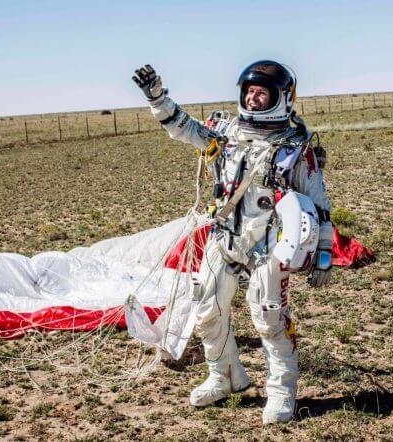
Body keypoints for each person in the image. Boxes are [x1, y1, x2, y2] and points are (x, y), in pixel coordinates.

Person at [132, 60, 333, 424]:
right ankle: (223, 376)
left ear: (282, 99)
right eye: (249, 92)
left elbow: (318, 202)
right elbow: (183, 128)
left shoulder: (294, 147)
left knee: (269, 317)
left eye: (262, 94)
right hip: (225, 235)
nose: (254, 99)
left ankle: (281, 392)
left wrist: (324, 251)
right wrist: (158, 99)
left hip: (269, 243)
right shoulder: (225, 133)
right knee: (207, 308)